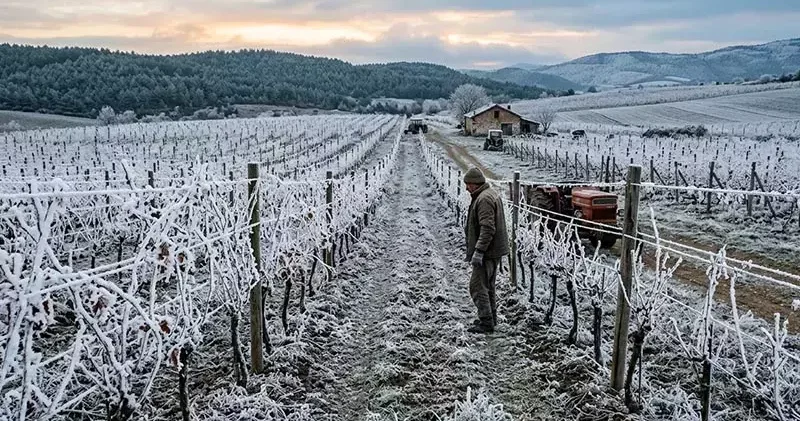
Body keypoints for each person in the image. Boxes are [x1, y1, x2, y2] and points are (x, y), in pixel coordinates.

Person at [463, 167, 509, 334]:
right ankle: (491, 318)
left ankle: (486, 322)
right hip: (492, 250)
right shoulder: (488, 194)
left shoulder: (483, 199)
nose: (466, 188)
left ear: (475, 184)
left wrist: (479, 251)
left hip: (488, 252)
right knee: (488, 286)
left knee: (477, 286)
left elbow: (488, 228)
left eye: (468, 184)